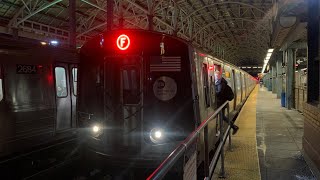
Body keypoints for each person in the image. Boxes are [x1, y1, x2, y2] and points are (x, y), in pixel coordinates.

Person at [214, 69, 239, 135]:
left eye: (216, 75)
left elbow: (219, 93)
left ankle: (233, 127)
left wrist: (213, 92)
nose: (215, 76)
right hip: (222, 103)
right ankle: (221, 129)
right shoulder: (221, 82)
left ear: (219, 75)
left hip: (221, 103)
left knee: (222, 117)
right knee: (221, 117)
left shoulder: (220, 83)